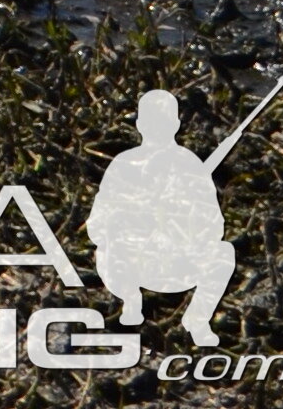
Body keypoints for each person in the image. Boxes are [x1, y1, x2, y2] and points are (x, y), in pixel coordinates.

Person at [90, 89, 242, 346]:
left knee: (224, 252)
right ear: (140, 125)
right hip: (133, 265)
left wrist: (182, 223)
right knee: (108, 244)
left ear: (175, 125)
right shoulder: (124, 164)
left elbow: (214, 226)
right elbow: (97, 226)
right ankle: (130, 301)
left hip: (179, 263)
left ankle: (197, 319)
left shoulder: (190, 166)